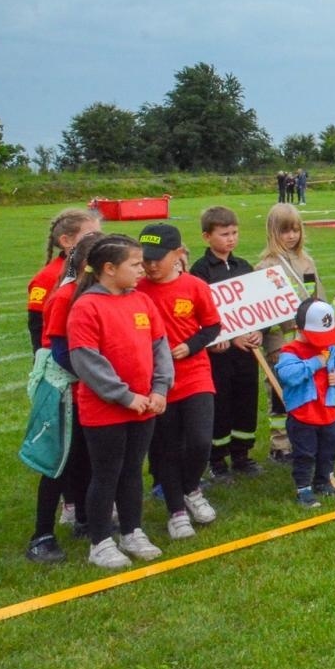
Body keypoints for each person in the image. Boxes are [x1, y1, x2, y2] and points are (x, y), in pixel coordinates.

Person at [65, 233, 172, 570]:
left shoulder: (141, 301)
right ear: (109, 269)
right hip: (106, 411)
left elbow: (160, 347)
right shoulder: (86, 307)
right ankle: (100, 542)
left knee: (132, 472)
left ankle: (132, 531)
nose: (143, 269)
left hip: (145, 406)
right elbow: (86, 361)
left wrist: (159, 389)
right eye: (135, 264)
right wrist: (125, 396)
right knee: (106, 474)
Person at [135, 223, 222, 542]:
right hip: (156, 383)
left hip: (195, 374)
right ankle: (176, 511)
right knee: (166, 447)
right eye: (145, 259)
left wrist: (192, 345)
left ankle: (190, 488)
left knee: (200, 441)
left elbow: (212, 326)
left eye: (159, 258)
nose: (151, 265)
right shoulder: (136, 290)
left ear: (178, 255)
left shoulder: (195, 286)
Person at [24, 232, 103, 564]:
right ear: (90, 265)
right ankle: (41, 535)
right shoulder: (63, 297)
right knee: (57, 462)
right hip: (63, 391)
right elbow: (59, 350)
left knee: (85, 457)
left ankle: (84, 518)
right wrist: (100, 375)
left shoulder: (99, 296)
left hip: (89, 388)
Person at [190, 206, 262, 480]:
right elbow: (201, 311)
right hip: (219, 354)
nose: (230, 239)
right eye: (224, 234)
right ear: (207, 237)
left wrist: (259, 331)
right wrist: (227, 337)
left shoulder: (244, 266)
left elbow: (258, 305)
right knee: (221, 403)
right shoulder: (201, 270)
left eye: (234, 233)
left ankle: (242, 454)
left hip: (247, 352)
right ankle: (217, 459)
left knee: (246, 400)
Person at [256, 202, 322, 463]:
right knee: (280, 394)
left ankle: (305, 436)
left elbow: (318, 298)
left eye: (295, 229)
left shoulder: (307, 262)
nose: (291, 235)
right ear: (273, 232)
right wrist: (273, 346)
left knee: (308, 390)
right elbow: (263, 315)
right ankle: (280, 443)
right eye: (285, 231)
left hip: (307, 342)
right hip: (281, 346)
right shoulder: (264, 267)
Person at [274, 298, 335, 508]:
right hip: (303, 416)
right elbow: (288, 375)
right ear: (300, 329)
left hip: (328, 413)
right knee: (305, 454)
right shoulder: (290, 351)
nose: (323, 342)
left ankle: (323, 481)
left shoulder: (331, 349)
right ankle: (303, 489)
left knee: (329, 450)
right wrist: (316, 363)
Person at [27, 208, 101, 353]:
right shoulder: (47, 278)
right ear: (66, 240)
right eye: (90, 235)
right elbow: (37, 326)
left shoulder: (98, 268)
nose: (97, 240)